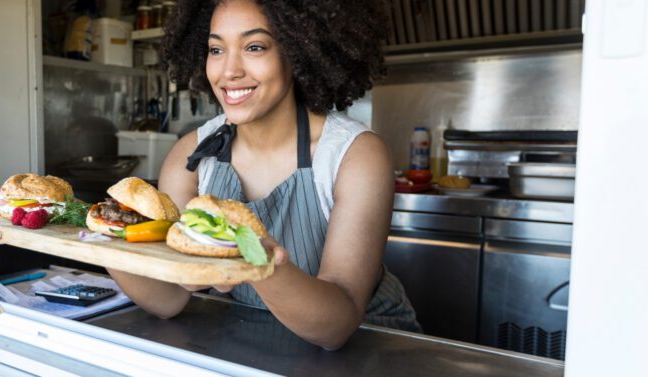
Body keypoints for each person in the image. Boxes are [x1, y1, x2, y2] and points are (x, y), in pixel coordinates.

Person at [107, 0, 420, 350]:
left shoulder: (354, 154)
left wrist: (255, 260)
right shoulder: (191, 157)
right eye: (216, 49)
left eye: (254, 47)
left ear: (298, 50)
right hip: (254, 342)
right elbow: (170, 299)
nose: (229, 71)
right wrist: (103, 244)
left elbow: (337, 326)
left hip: (372, 349)